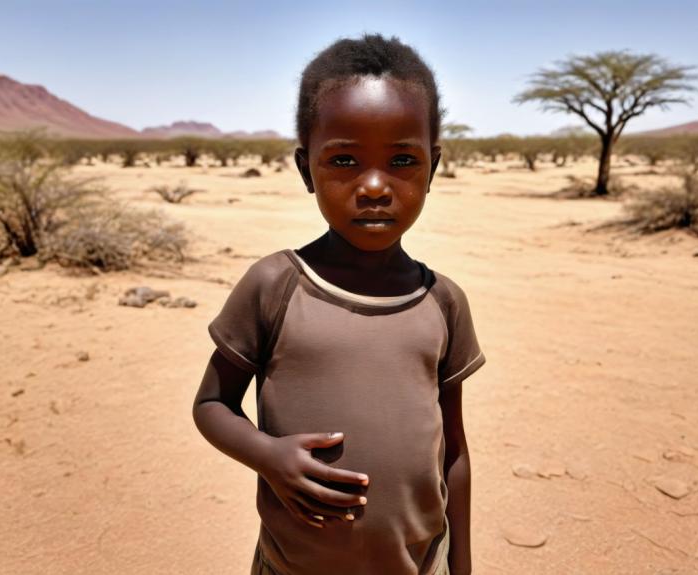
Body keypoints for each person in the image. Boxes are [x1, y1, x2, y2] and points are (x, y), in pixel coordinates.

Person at [192, 33, 485, 575]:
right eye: (344, 159)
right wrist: (268, 456)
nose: (374, 186)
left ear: (433, 168)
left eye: (402, 159)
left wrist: (461, 565)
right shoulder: (274, 285)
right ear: (306, 169)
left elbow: (455, 453)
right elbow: (212, 406)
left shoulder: (442, 302)